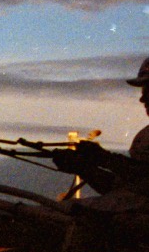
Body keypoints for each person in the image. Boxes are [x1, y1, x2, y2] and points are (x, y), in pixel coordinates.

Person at [51, 57, 149, 214]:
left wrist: (104, 158)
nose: (142, 98)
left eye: (148, 90)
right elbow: (120, 189)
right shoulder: (143, 137)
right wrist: (84, 168)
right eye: (144, 91)